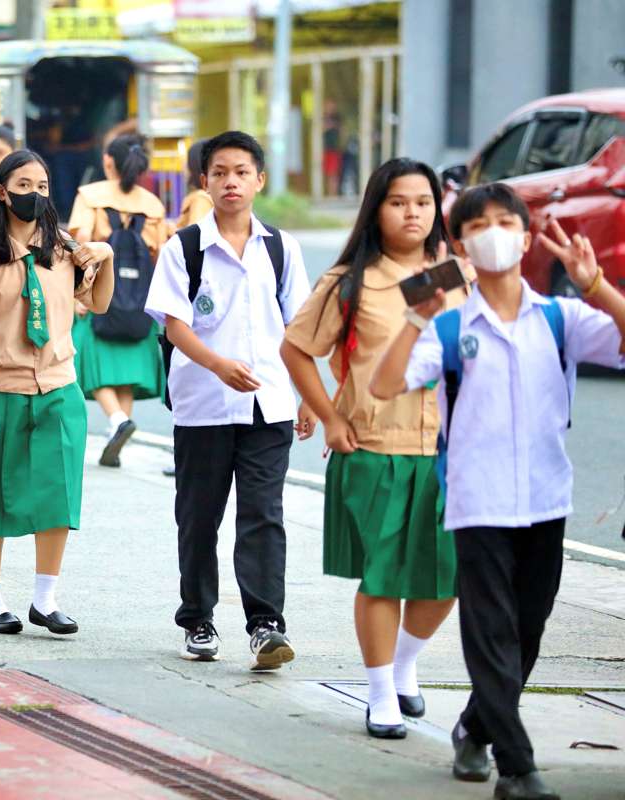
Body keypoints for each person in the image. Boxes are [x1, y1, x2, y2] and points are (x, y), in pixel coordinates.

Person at [370, 184, 625, 800]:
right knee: (490, 634)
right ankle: (517, 768)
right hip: (476, 502)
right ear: (459, 242)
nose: (492, 231)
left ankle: (475, 726)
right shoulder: (452, 325)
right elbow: (384, 383)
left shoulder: (560, 318)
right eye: (477, 224)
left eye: (504, 221)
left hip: (545, 499)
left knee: (527, 633)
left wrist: (597, 287)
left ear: (527, 234)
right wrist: (414, 320)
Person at [281, 158, 465, 739]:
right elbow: (296, 349)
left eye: (423, 202)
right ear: (376, 209)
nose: (413, 213)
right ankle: (380, 691)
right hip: (375, 447)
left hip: (449, 452)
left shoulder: (452, 274)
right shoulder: (349, 281)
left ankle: (406, 664)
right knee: (384, 577)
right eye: (398, 202)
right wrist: (331, 417)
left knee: (447, 578)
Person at [144, 131, 313, 667]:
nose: (231, 182)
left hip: (269, 408)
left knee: (263, 514)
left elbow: (299, 328)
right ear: (205, 182)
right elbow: (174, 325)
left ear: (259, 180)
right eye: (220, 172)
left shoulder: (281, 249)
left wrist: (311, 397)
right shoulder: (185, 248)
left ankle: (266, 625)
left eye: (241, 171)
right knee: (199, 515)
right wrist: (217, 365)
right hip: (203, 407)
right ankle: (197, 619)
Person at [0, 149, 115, 635]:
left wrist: (107, 258)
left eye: (42, 186)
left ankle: (45, 598)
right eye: (23, 185)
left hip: (58, 389)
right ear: (1, 191)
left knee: (56, 496)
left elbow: (96, 303)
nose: (34, 194)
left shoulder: (62, 249)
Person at [68, 133, 169, 467]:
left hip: (100, 294)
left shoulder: (90, 196)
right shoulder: (153, 205)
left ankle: (116, 422)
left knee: (92, 365)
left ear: (108, 160)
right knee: (125, 373)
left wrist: (78, 294)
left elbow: (80, 245)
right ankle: (119, 430)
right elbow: (159, 253)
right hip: (140, 299)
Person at [176, 140, 212, 229]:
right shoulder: (209, 196)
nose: (184, 167)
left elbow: (195, 237)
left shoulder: (201, 199)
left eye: (187, 162)